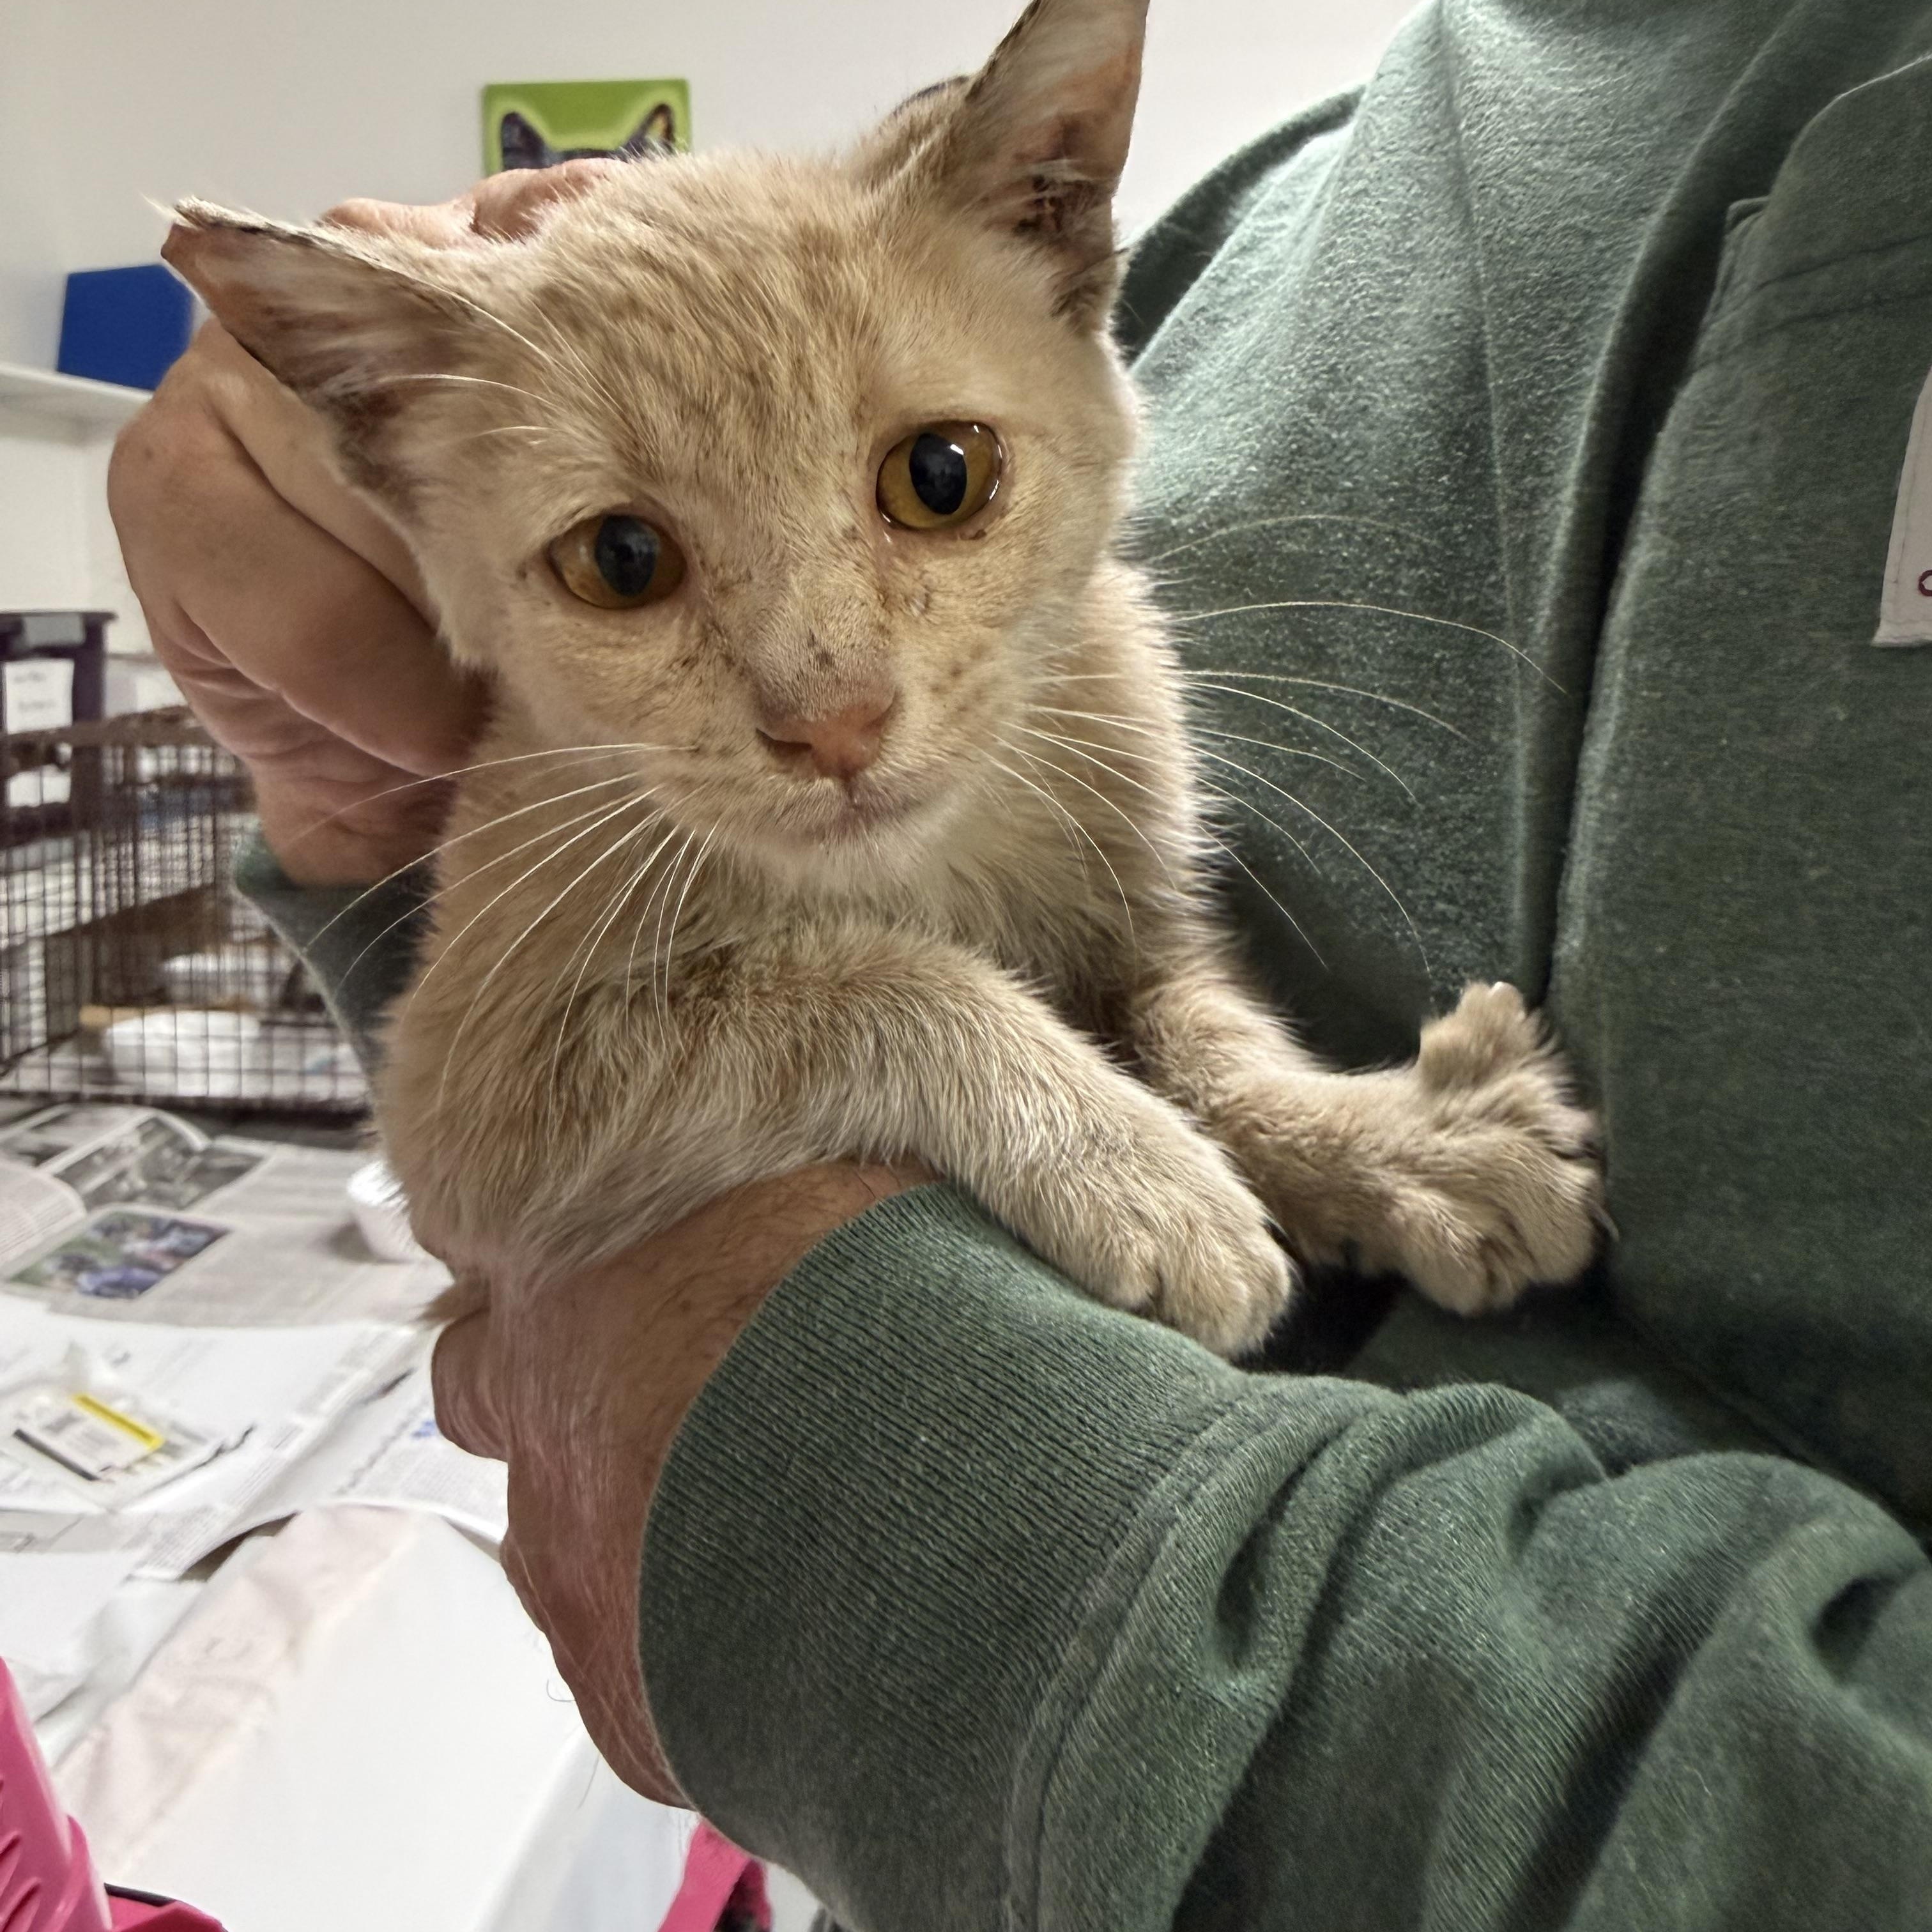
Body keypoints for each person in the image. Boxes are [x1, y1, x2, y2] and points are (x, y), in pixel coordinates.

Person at [109, 1, 1932, 1924]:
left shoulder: (1104, 683)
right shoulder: (1293, 202)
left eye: (938, 488)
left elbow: (1141, 979)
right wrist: (364, 816)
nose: (831, 698)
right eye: (630, 563)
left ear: (1061, 258)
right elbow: (487, 1154)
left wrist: (1256, 1119)